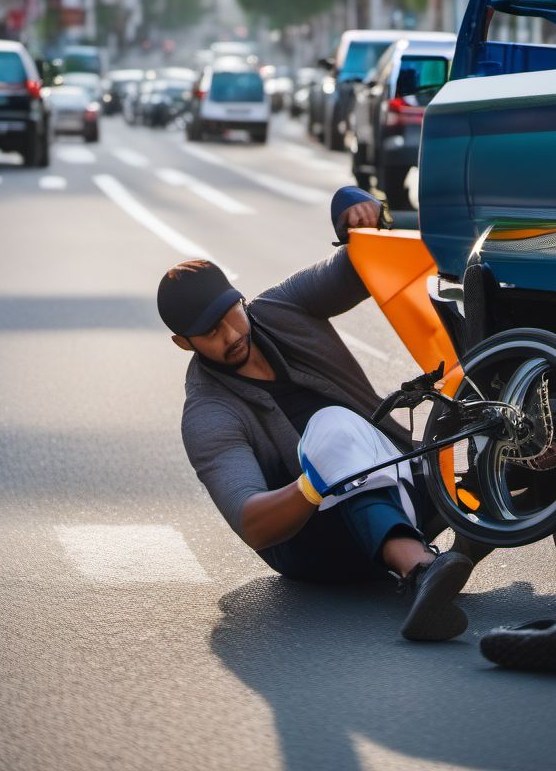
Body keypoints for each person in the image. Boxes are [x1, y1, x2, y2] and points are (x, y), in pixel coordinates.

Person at [157, 186, 474, 641]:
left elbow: (356, 264)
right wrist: (314, 483)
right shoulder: (208, 413)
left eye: (231, 312)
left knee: (481, 422)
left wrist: (355, 208)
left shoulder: (279, 308)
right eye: (210, 332)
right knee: (332, 426)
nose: (231, 334)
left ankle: (471, 545)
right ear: (183, 343)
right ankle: (421, 570)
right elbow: (254, 523)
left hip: (400, 488)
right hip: (319, 546)